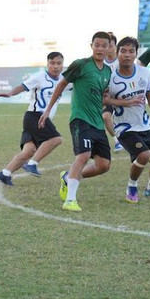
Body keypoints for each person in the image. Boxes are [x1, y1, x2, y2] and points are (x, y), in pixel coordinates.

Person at [39, 32, 113, 212]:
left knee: (104, 165)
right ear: (92, 46)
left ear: (109, 47)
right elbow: (62, 84)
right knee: (83, 156)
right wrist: (48, 109)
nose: (100, 49)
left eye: (104, 45)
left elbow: (103, 96)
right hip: (80, 119)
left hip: (97, 122)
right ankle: (70, 200)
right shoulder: (81, 65)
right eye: (97, 45)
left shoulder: (108, 71)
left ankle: (67, 178)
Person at [106, 36, 150, 203]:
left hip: (145, 125)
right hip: (124, 127)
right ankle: (131, 186)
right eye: (123, 51)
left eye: (131, 51)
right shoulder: (110, 76)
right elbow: (104, 100)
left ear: (136, 54)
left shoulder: (144, 72)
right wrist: (125, 102)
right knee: (143, 155)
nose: (127, 54)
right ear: (117, 52)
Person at [0, 51, 66, 185]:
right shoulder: (40, 77)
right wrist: (10, 93)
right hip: (35, 116)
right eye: (52, 63)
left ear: (63, 65)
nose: (55, 66)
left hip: (38, 119)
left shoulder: (64, 80)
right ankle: (32, 164)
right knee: (56, 139)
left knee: (29, 151)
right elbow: (23, 86)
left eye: (59, 63)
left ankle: (5, 173)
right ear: (47, 64)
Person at [101, 33, 124, 152]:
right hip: (107, 96)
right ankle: (117, 141)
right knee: (105, 117)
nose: (108, 49)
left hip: (122, 95)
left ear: (115, 46)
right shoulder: (100, 62)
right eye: (106, 45)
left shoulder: (122, 61)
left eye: (111, 45)